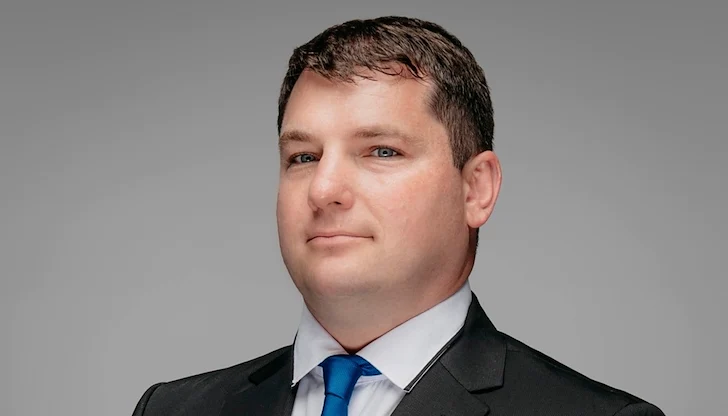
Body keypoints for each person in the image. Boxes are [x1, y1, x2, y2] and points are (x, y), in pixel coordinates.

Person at [132, 16, 664, 416]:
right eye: (303, 157)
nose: (324, 189)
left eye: (381, 151)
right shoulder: (171, 410)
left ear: (476, 189)